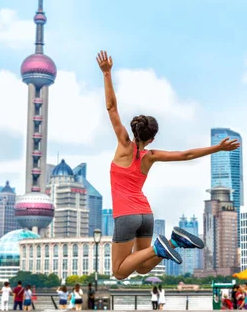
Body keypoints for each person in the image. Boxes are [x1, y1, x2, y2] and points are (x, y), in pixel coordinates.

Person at [96, 51, 238, 280]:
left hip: (126, 215)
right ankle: (173, 242)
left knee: (119, 271)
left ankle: (157, 248)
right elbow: (185, 155)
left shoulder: (123, 143)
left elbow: (112, 108)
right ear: (151, 138)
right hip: (145, 214)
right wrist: (217, 148)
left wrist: (106, 73)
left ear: (135, 130)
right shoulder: (150, 156)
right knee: (142, 267)